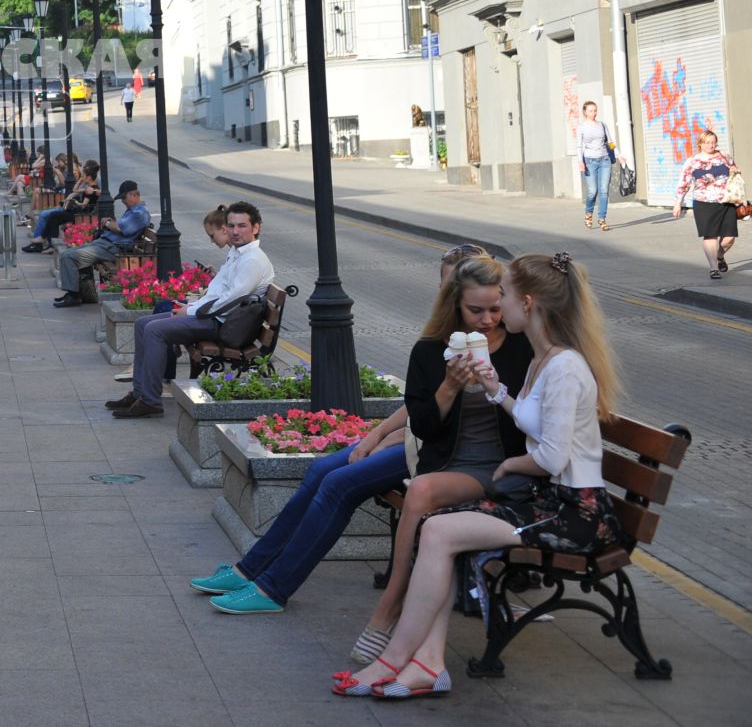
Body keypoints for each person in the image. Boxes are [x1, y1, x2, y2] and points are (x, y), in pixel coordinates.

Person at [196, 250, 532, 634]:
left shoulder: (521, 347)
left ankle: (272, 586)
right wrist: (438, 395)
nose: (487, 320)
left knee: (338, 482)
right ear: (452, 300)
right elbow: (421, 416)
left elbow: (531, 416)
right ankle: (250, 569)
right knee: (323, 468)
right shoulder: (432, 349)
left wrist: (388, 436)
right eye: (476, 310)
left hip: (474, 463)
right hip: (433, 451)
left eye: (494, 309)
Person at [334, 251, 622, 699]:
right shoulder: (545, 360)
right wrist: (496, 391)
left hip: (574, 513)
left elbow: (550, 457)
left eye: (502, 297)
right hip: (548, 502)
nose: (496, 311)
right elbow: (529, 419)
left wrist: (510, 464)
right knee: (437, 529)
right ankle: (425, 663)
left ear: (528, 304)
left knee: (441, 532)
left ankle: (391, 661)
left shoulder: (564, 367)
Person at [110, 201, 275, 418]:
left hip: (224, 325)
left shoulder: (252, 260)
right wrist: (189, 307)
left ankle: (150, 401)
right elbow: (217, 293)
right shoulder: (239, 253)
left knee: (154, 331)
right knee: (142, 324)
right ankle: (140, 392)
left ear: (255, 228)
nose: (235, 231)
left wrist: (189, 311)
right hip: (215, 317)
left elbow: (229, 301)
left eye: (242, 226)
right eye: (232, 226)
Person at [53, 180, 151, 307]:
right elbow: (120, 227)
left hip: (112, 248)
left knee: (69, 257)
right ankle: (78, 293)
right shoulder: (133, 211)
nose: (123, 201)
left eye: (124, 198)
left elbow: (122, 229)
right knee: (68, 253)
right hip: (105, 244)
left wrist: (108, 224)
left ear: (134, 195)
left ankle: (74, 295)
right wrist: (112, 223)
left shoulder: (140, 213)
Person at [673, 129, 742, 279]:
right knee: (710, 236)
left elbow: (734, 170)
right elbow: (684, 182)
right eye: (707, 142)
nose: (711, 145)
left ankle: (719, 255)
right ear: (700, 144)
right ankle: (713, 268)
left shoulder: (725, 156)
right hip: (703, 203)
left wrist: (736, 170)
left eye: (713, 142)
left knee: (730, 237)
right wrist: (678, 202)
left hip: (726, 201)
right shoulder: (692, 161)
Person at [25, 160, 101, 251]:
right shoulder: (89, 188)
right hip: (78, 213)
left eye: (84, 175)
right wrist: (81, 180)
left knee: (53, 216)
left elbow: (84, 205)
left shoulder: (90, 189)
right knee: (54, 219)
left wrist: (75, 202)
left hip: (80, 214)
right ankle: (50, 243)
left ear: (89, 177)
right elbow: (75, 190)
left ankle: (44, 238)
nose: (82, 177)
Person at [575, 100, 618, 231]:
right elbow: (579, 146)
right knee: (592, 192)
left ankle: (602, 219)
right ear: (585, 112)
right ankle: (589, 214)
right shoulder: (581, 127)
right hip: (589, 161)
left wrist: (619, 154)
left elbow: (610, 142)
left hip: (604, 160)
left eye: (595, 110)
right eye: (590, 111)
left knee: (604, 191)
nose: (594, 113)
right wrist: (580, 161)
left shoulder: (602, 125)